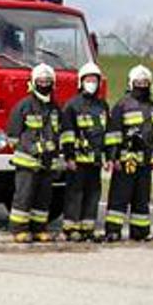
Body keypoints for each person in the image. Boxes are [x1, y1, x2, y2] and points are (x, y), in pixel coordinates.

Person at [5, 63, 63, 243]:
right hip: (28, 162)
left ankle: (39, 229)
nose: (44, 84)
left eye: (47, 81)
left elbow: (58, 132)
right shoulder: (24, 106)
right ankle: (18, 230)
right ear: (33, 83)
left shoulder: (54, 108)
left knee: (43, 199)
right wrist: (29, 149)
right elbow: (13, 135)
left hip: (47, 162)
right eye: (40, 81)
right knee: (24, 197)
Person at [104, 65, 153, 242]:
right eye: (138, 82)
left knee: (141, 198)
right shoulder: (122, 105)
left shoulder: (152, 106)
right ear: (131, 83)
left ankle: (141, 232)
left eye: (145, 82)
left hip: (144, 161)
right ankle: (113, 231)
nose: (142, 85)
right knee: (119, 196)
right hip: (127, 159)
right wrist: (113, 157)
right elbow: (113, 133)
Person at [59, 61, 109, 242]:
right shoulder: (72, 105)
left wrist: (108, 157)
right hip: (78, 159)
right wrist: (69, 156)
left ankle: (88, 228)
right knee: (75, 193)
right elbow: (67, 133)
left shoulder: (102, 106)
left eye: (94, 80)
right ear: (81, 82)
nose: (92, 83)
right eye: (88, 79)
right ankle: (70, 228)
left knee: (93, 194)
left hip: (95, 160)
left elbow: (107, 134)